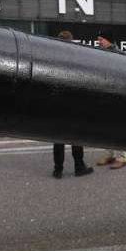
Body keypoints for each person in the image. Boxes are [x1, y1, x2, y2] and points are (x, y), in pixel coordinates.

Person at [52, 31, 93, 178]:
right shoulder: (76, 58)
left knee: (58, 139)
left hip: (57, 102)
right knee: (76, 136)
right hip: (72, 102)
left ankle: (58, 170)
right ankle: (79, 167)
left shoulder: (52, 57)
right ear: (70, 41)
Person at [95, 32, 126, 169]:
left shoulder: (118, 54)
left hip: (117, 94)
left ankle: (122, 157)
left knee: (118, 126)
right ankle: (110, 154)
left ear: (108, 39)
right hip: (105, 93)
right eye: (98, 39)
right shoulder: (100, 53)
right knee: (106, 126)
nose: (99, 42)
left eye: (101, 39)